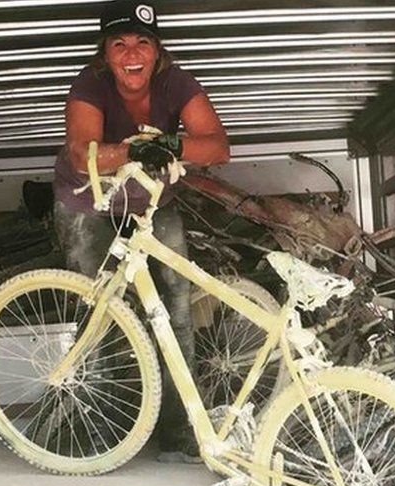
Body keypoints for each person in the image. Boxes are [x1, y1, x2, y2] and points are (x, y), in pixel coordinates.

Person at [52, 0, 230, 462]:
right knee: (102, 311)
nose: (132, 53)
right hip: (89, 203)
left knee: (176, 308)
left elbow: (218, 146)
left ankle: (179, 429)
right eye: (119, 43)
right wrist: (138, 150)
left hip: (151, 202)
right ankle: (112, 429)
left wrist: (170, 143)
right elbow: (81, 153)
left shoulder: (177, 83)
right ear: (105, 54)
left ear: (157, 52)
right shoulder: (90, 85)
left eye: (142, 42)